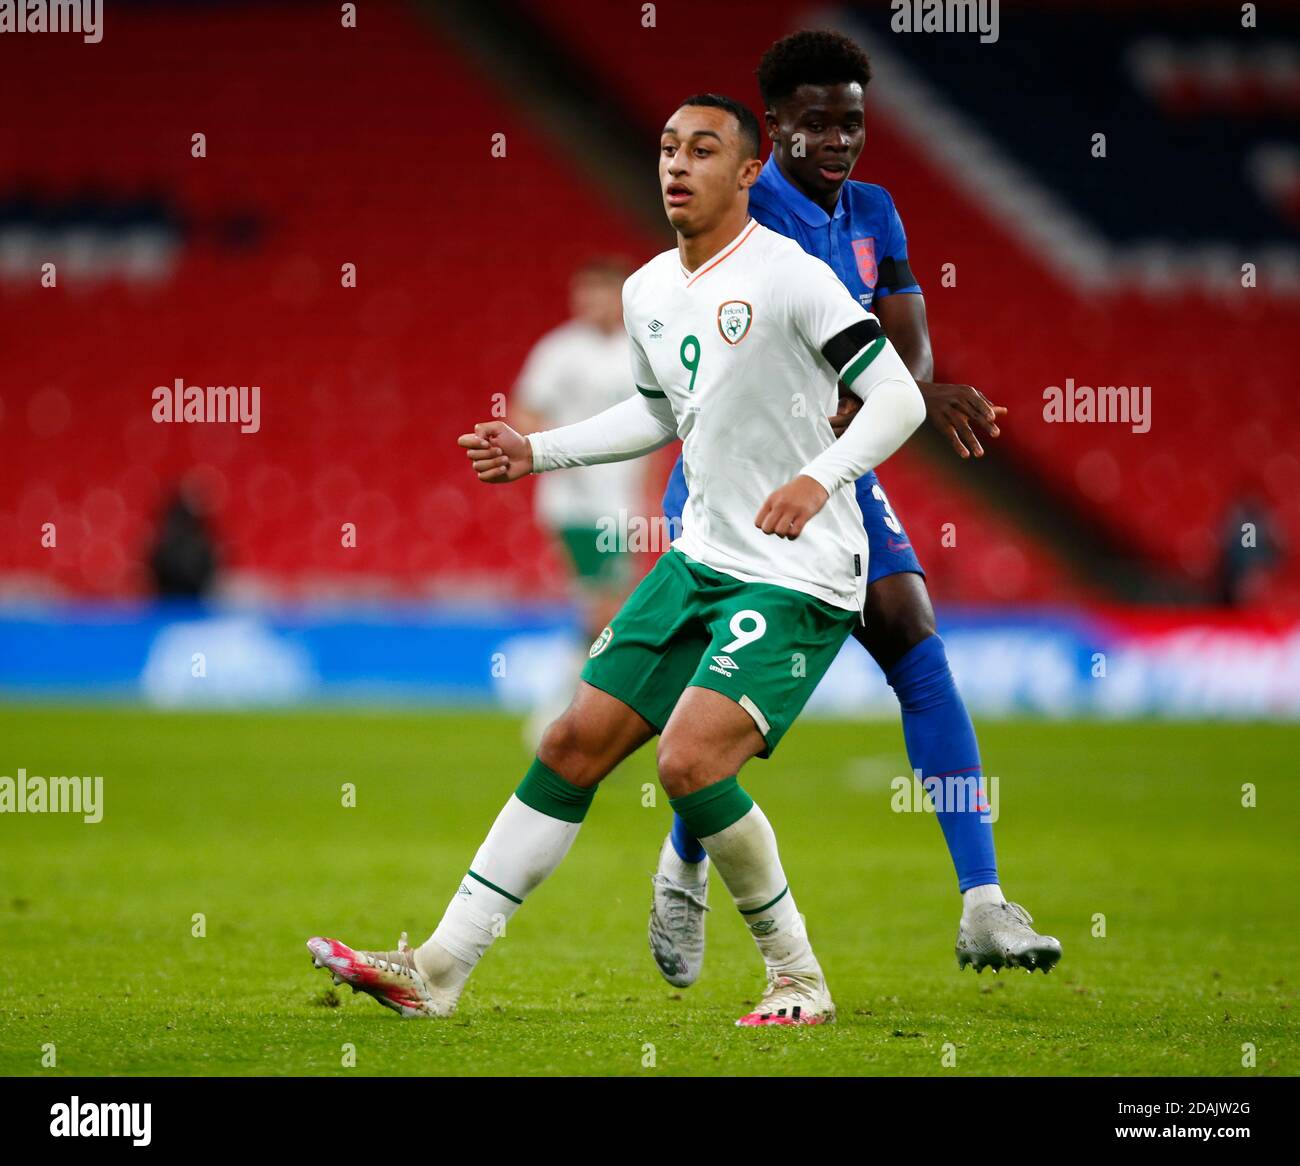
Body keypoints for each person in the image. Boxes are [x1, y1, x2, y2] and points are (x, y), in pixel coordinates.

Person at [309, 92, 926, 1026]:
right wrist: (536, 450)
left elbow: (896, 397)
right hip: (703, 560)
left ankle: (799, 979)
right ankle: (437, 970)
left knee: (689, 764)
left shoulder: (792, 276)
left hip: (799, 572)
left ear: (749, 171)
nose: (678, 164)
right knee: (569, 744)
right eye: (670, 148)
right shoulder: (647, 290)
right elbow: (654, 412)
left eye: (704, 149)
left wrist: (818, 477)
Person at [649, 30, 1061, 987]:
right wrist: (870, 386)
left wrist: (921, 389)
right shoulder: (748, 220)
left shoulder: (876, 211)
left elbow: (905, 352)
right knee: (721, 701)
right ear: (776, 128)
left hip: (835, 470)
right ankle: (684, 861)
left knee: (915, 634)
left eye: (855, 121)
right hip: (739, 482)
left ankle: (984, 903)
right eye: (818, 123)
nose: (840, 140)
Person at [510, 257, 651, 739]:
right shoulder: (559, 351)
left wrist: (650, 497)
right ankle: (564, 716)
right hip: (574, 504)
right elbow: (523, 415)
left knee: (611, 608)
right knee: (608, 610)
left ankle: (577, 717)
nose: (587, 303)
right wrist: (560, 449)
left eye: (597, 293)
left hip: (623, 504)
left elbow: (659, 427)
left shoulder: (642, 347)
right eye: (581, 294)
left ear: (619, 296)